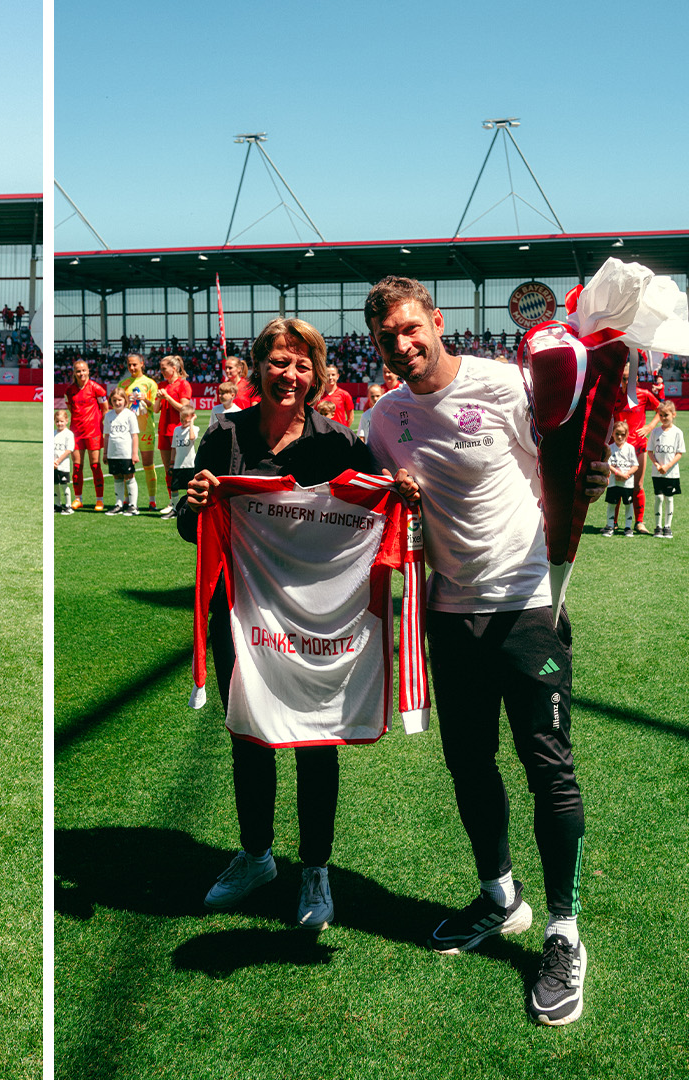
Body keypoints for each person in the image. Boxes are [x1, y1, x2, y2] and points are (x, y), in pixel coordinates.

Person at [361, 276, 598, 1027]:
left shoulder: (504, 385)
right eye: (386, 337)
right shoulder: (383, 418)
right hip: (447, 615)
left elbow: (563, 461)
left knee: (547, 766)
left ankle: (562, 928)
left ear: (437, 321)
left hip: (527, 606)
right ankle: (501, 896)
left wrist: (595, 467)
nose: (402, 345)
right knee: (468, 763)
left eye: (410, 328)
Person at [178, 317, 374, 931]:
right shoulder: (223, 436)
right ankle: (257, 854)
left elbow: (379, 507)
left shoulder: (340, 443)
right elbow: (191, 528)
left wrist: (404, 491)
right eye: (278, 362)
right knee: (251, 734)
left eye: (302, 364)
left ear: (316, 374)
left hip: (318, 621)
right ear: (257, 367)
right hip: (239, 616)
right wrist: (197, 501)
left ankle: (315, 868)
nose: (289, 375)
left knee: (316, 741)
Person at [617, 373, 661, 534]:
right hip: (618, 449)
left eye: (630, 378)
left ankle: (639, 523)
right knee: (616, 485)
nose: (626, 382)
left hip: (639, 447)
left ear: (636, 379)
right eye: (623, 378)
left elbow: (661, 410)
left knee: (638, 485)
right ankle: (612, 523)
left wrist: (649, 427)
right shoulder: (614, 395)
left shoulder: (644, 394)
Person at [117, 355, 161, 511]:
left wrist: (145, 400)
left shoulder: (150, 384)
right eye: (129, 365)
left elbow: (155, 408)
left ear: (142, 364)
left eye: (135, 365)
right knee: (127, 467)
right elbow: (118, 407)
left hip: (145, 429)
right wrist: (126, 402)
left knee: (148, 465)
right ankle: (128, 500)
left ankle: (152, 501)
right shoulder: (123, 384)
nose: (132, 368)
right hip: (127, 432)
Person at [66, 359, 108, 509]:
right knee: (77, 466)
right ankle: (78, 498)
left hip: (94, 432)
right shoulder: (70, 391)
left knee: (95, 466)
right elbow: (71, 409)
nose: (81, 373)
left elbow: (105, 410)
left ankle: (99, 499)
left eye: (84, 370)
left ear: (88, 371)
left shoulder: (97, 389)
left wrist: (100, 427)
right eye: (78, 371)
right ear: (74, 373)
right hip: (76, 433)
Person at [154, 355, 193, 498]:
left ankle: (189, 501)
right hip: (163, 430)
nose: (162, 371)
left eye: (164, 368)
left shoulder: (183, 385)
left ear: (174, 368)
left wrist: (168, 397)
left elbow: (184, 408)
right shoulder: (162, 385)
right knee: (167, 470)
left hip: (178, 431)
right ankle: (172, 502)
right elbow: (156, 409)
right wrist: (159, 398)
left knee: (181, 469)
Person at [102, 389, 139, 514]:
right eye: (114, 400)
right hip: (113, 453)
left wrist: (134, 454)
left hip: (126, 453)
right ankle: (119, 504)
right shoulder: (108, 416)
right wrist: (105, 453)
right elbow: (106, 435)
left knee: (129, 477)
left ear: (125, 401)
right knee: (117, 477)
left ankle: (133, 505)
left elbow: (134, 435)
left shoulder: (130, 414)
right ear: (110, 401)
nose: (117, 403)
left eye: (120, 400)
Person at [649, 399, 682, 538]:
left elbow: (679, 453)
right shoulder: (655, 432)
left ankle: (667, 527)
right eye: (661, 415)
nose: (663, 418)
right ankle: (658, 526)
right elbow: (650, 451)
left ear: (673, 414)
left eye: (666, 415)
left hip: (671, 473)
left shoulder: (677, 432)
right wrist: (657, 465)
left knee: (669, 499)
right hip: (657, 473)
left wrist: (667, 466)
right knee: (658, 498)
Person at [163, 400, 198, 517]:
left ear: (192, 417)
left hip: (190, 464)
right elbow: (173, 447)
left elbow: (192, 437)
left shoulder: (194, 429)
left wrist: (192, 423)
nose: (183, 422)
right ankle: (174, 508)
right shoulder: (177, 430)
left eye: (186, 419)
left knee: (192, 488)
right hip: (178, 464)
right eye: (181, 419)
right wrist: (171, 463)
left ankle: (192, 509)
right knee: (174, 487)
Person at [605, 422, 637, 536]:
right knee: (612, 504)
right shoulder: (610, 448)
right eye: (617, 434)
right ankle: (610, 526)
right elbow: (608, 464)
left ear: (627, 434)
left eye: (622, 434)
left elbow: (635, 465)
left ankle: (628, 527)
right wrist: (618, 473)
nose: (619, 437)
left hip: (627, 483)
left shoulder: (630, 448)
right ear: (612, 434)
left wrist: (626, 474)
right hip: (613, 482)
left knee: (628, 504)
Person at [52, 409, 75, 514]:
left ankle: (68, 506)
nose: (59, 423)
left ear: (67, 420)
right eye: (57, 421)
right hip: (53, 465)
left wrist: (58, 461)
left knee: (64, 485)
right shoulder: (53, 433)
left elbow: (69, 450)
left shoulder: (69, 434)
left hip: (63, 465)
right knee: (55, 485)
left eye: (61, 421)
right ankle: (57, 505)